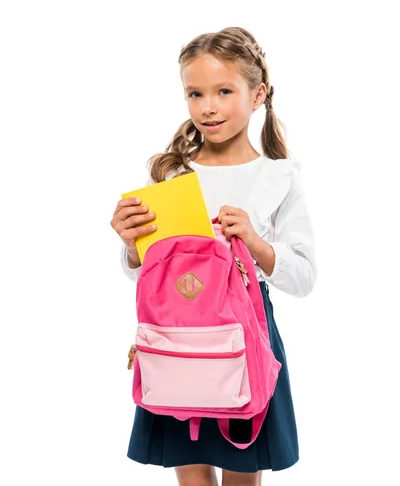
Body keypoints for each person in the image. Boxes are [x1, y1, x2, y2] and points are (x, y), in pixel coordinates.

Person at [110, 26, 317, 486]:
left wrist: (255, 244)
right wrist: (131, 245)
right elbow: (149, 274)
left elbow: (303, 276)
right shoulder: (172, 175)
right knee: (190, 468)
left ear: (258, 93)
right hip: (179, 330)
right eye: (195, 93)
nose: (208, 106)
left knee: (243, 469)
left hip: (247, 333)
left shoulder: (276, 177)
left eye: (224, 91)